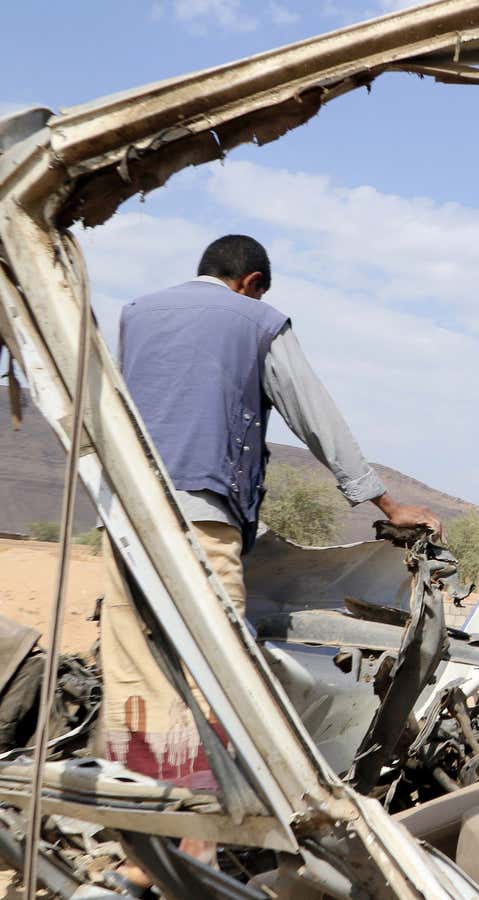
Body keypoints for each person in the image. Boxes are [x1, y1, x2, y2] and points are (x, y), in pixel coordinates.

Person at [97, 235, 441, 878]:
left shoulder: (137, 311)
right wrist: (384, 502)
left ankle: (138, 847)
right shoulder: (258, 320)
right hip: (201, 519)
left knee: (136, 679)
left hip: (123, 516)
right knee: (214, 674)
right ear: (252, 281)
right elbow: (314, 414)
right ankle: (196, 848)